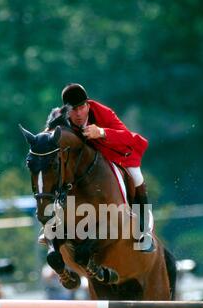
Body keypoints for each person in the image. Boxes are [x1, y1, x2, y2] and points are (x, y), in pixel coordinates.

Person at [58, 83, 155, 252]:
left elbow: (127, 137)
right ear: (66, 110)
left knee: (136, 177)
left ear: (88, 104)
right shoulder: (61, 119)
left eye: (82, 107)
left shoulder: (103, 112)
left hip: (115, 155)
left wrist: (102, 132)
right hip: (83, 164)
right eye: (74, 110)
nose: (79, 113)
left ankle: (144, 230)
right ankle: (54, 226)